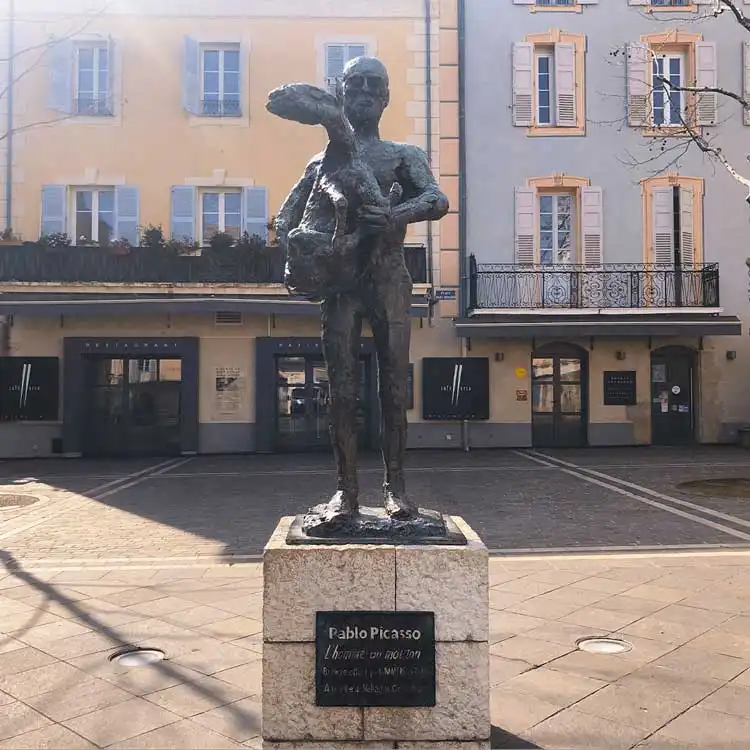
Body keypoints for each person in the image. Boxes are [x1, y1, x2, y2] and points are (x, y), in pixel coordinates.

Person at [275, 57, 449, 521]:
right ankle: (346, 493)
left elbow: (436, 199)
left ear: (387, 97)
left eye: (375, 85)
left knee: (393, 387)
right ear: (341, 93)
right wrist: (301, 249)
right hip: (340, 283)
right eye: (355, 84)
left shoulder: (403, 155)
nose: (365, 92)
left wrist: (395, 215)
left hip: (388, 276)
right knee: (342, 389)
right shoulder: (321, 162)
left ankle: (396, 489)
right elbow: (285, 216)